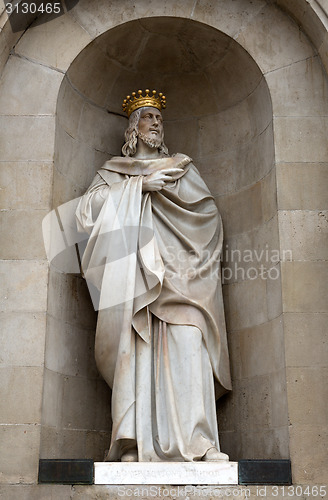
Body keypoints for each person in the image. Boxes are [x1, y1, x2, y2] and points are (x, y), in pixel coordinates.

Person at [75, 89, 232, 462]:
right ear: (133, 127)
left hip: (182, 279)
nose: (156, 123)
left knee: (189, 346)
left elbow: (208, 216)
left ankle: (200, 442)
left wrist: (190, 258)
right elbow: (85, 214)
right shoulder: (114, 172)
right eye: (148, 116)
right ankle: (132, 441)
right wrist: (137, 188)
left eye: (159, 118)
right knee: (136, 354)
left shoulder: (182, 168)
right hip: (134, 278)